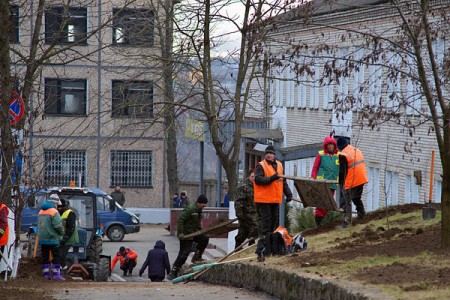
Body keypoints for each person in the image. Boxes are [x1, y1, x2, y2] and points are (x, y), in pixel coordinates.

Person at [254, 145, 293, 261]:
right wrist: (272, 178)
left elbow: (283, 181)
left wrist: (288, 194)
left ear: (274, 155)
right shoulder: (261, 165)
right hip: (264, 200)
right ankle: (264, 247)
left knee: (274, 223)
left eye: (270, 153)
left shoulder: (280, 165)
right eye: (267, 154)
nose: (268, 155)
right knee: (266, 223)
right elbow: (258, 180)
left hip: (275, 199)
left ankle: (272, 247)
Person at [167, 194, 209, 280]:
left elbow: (197, 222)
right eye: (204, 204)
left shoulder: (198, 210)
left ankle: (197, 256)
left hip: (194, 233)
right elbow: (181, 220)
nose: (205, 206)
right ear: (199, 203)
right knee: (184, 254)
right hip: (186, 235)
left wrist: (200, 230)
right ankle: (173, 272)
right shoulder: (190, 209)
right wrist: (180, 233)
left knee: (204, 239)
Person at [337, 137, 368, 228]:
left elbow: (342, 171)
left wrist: (341, 182)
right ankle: (361, 213)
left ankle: (347, 221)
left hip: (352, 180)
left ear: (339, 147)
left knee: (347, 201)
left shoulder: (343, 154)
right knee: (356, 197)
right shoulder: (356, 150)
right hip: (361, 178)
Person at [311, 135, 340, 226]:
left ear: (334, 145)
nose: (330, 146)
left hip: (333, 183)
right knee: (321, 202)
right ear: (326, 146)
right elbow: (315, 168)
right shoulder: (321, 154)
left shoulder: (338, 155)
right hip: (322, 183)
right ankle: (318, 221)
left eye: (332, 145)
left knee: (328, 203)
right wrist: (313, 178)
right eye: (329, 145)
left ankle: (321, 220)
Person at [37, 194, 65, 280]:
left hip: (42, 238)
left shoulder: (41, 211)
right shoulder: (54, 211)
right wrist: (62, 232)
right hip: (53, 238)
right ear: (55, 203)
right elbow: (57, 226)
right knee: (56, 256)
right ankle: (56, 274)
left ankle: (46, 274)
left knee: (45, 256)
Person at [234, 171, 258, 249]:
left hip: (254, 213)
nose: (254, 179)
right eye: (252, 177)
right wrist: (239, 214)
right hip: (246, 213)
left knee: (250, 229)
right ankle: (239, 246)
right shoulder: (244, 188)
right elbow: (239, 202)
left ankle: (251, 244)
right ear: (249, 177)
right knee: (248, 229)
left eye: (255, 177)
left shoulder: (258, 187)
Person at [57, 198, 79, 270]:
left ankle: (63, 270)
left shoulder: (70, 214)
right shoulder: (59, 214)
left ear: (65, 206)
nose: (59, 208)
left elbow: (71, 228)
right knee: (59, 255)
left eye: (60, 207)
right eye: (58, 207)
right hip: (61, 238)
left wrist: (65, 238)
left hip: (68, 239)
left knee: (61, 256)